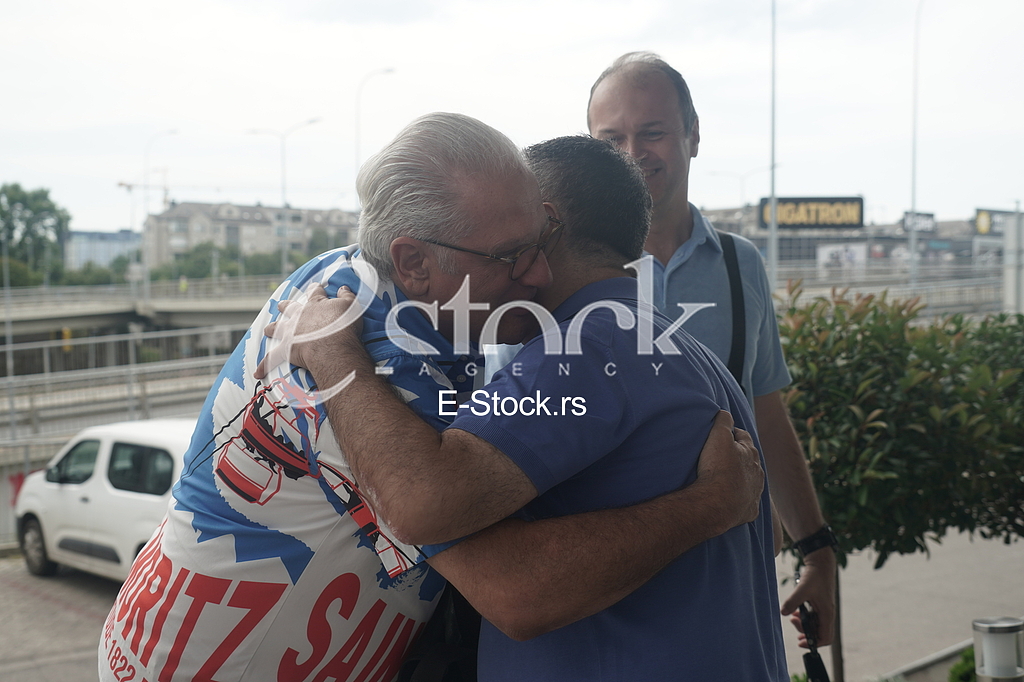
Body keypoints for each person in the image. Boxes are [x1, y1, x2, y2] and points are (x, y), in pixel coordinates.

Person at [100, 113, 762, 682]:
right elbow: (500, 576)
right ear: (413, 261)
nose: (535, 271)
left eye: (541, 240)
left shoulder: (401, 296)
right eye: (512, 254)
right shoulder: (356, 345)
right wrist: (707, 506)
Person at [266, 135, 788, 680]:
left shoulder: (587, 346)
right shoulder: (679, 347)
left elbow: (482, 559)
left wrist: (333, 351)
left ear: (546, 223)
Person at [586, 51, 838, 646]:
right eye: (611, 138)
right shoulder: (565, 272)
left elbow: (765, 415)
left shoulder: (738, 264)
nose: (632, 153)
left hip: (735, 582)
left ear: (694, 136)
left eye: (653, 132)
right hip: (608, 595)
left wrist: (819, 555)